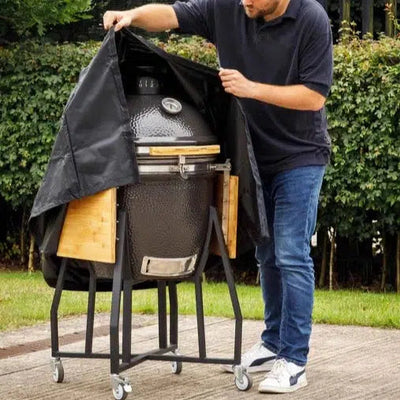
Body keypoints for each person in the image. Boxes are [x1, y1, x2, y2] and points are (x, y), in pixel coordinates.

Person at [104, 0, 333, 393]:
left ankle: (294, 360)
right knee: (266, 252)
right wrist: (133, 17)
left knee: (291, 253)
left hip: (300, 156)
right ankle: (272, 343)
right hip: (252, 155)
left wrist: (250, 88)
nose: (244, 1)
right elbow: (172, 15)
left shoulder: (311, 18)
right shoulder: (229, 7)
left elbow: (314, 96)